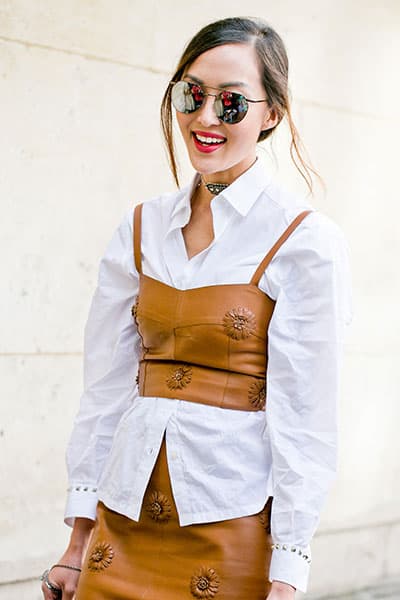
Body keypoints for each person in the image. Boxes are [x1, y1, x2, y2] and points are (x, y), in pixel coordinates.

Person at [41, 16, 353, 600]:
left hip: (230, 528)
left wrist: (287, 575)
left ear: (272, 115)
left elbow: (305, 420)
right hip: (122, 527)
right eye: (192, 94)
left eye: (232, 103)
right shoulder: (141, 227)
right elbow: (107, 390)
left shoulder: (304, 241)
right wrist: (78, 542)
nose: (206, 117)